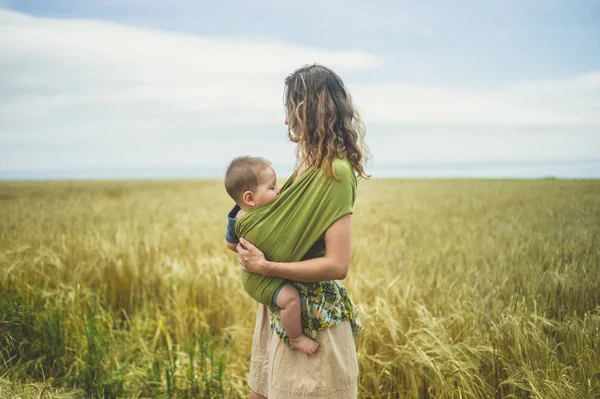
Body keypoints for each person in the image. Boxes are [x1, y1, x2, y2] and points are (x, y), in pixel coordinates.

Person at [235, 64, 370, 399]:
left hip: (311, 321)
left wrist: (267, 268)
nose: (286, 121)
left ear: (312, 110)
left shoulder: (336, 172)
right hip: (277, 308)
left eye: (291, 110)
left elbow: (337, 266)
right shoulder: (306, 164)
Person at [224, 156, 319, 356]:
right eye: (272, 187)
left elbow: (230, 243)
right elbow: (231, 243)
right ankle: (296, 338)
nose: (279, 190)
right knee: (290, 298)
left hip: (264, 269)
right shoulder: (240, 219)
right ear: (249, 198)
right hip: (257, 279)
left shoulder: (267, 211)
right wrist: (245, 252)